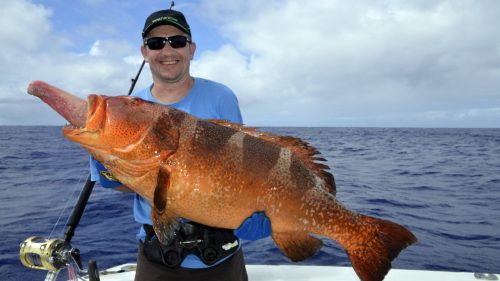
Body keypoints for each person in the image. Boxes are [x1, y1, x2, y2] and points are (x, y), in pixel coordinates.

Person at [90, 7, 271, 281]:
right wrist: (110, 167)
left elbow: (243, 167)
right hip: (157, 257)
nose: (167, 51)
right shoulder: (127, 109)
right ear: (144, 53)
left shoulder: (221, 96)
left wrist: (258, 205)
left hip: (221, 255)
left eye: (176, 41)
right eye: (155, 43)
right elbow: (125, 184)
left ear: (191, 48)